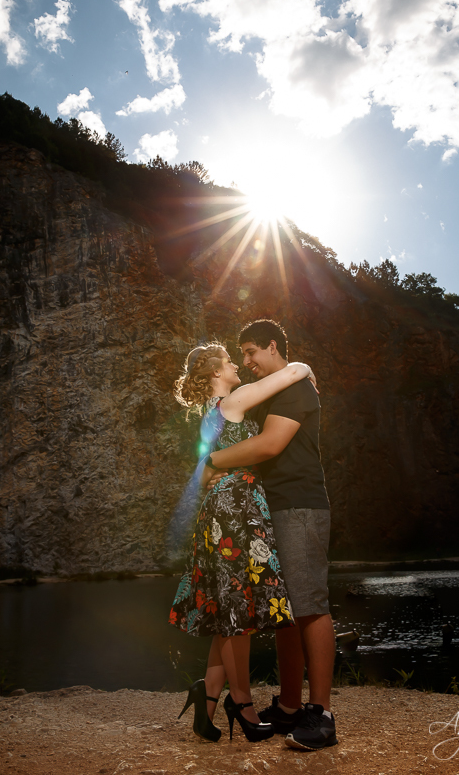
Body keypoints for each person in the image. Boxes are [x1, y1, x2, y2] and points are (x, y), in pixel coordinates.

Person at [169, 342, 315, 743]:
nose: (237, 366)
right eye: (230, 361)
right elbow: (287, 374)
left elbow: (205, 468)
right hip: (235, 509)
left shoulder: (208, 417)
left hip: (225, 508)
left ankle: (208, 697)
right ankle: (244, 704)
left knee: (230, 611)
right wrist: (302, 364)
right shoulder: (231, 402)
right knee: (237, 613)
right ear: (216, 372)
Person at [203, 320, 337, 752]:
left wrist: (213, 463)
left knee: (310, 606)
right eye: (240, 356)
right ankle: (291, 707)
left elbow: (269, 445)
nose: (246, 362)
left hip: (299, 505)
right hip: (266, 511)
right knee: (285, 610)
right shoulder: (274, 391)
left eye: (250, 353)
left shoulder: (296, 390)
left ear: (272, 347)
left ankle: (322, 715)